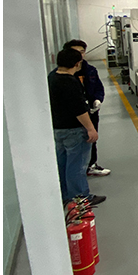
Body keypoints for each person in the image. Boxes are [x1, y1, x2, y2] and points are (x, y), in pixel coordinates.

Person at [48, 48, 105, 206]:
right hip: (74, 129)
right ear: (77, 63)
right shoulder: (70, 82)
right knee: (77, 166)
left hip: (59, 128)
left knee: (63, 164)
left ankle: (66, 195)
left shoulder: (52, 77)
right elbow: (79, 110)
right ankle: (81, 198)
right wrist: (91, 128)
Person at [62, 39, 110, 177]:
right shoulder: (65, 76)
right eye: (76, 52)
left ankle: (91, 165)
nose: (80, 55)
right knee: (74, 145)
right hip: (73, 116)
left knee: (91, 139)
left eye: (82, 52)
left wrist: (97, 100)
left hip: (91, 112)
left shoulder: (90, 70)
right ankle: (76, 173)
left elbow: (98, 88)